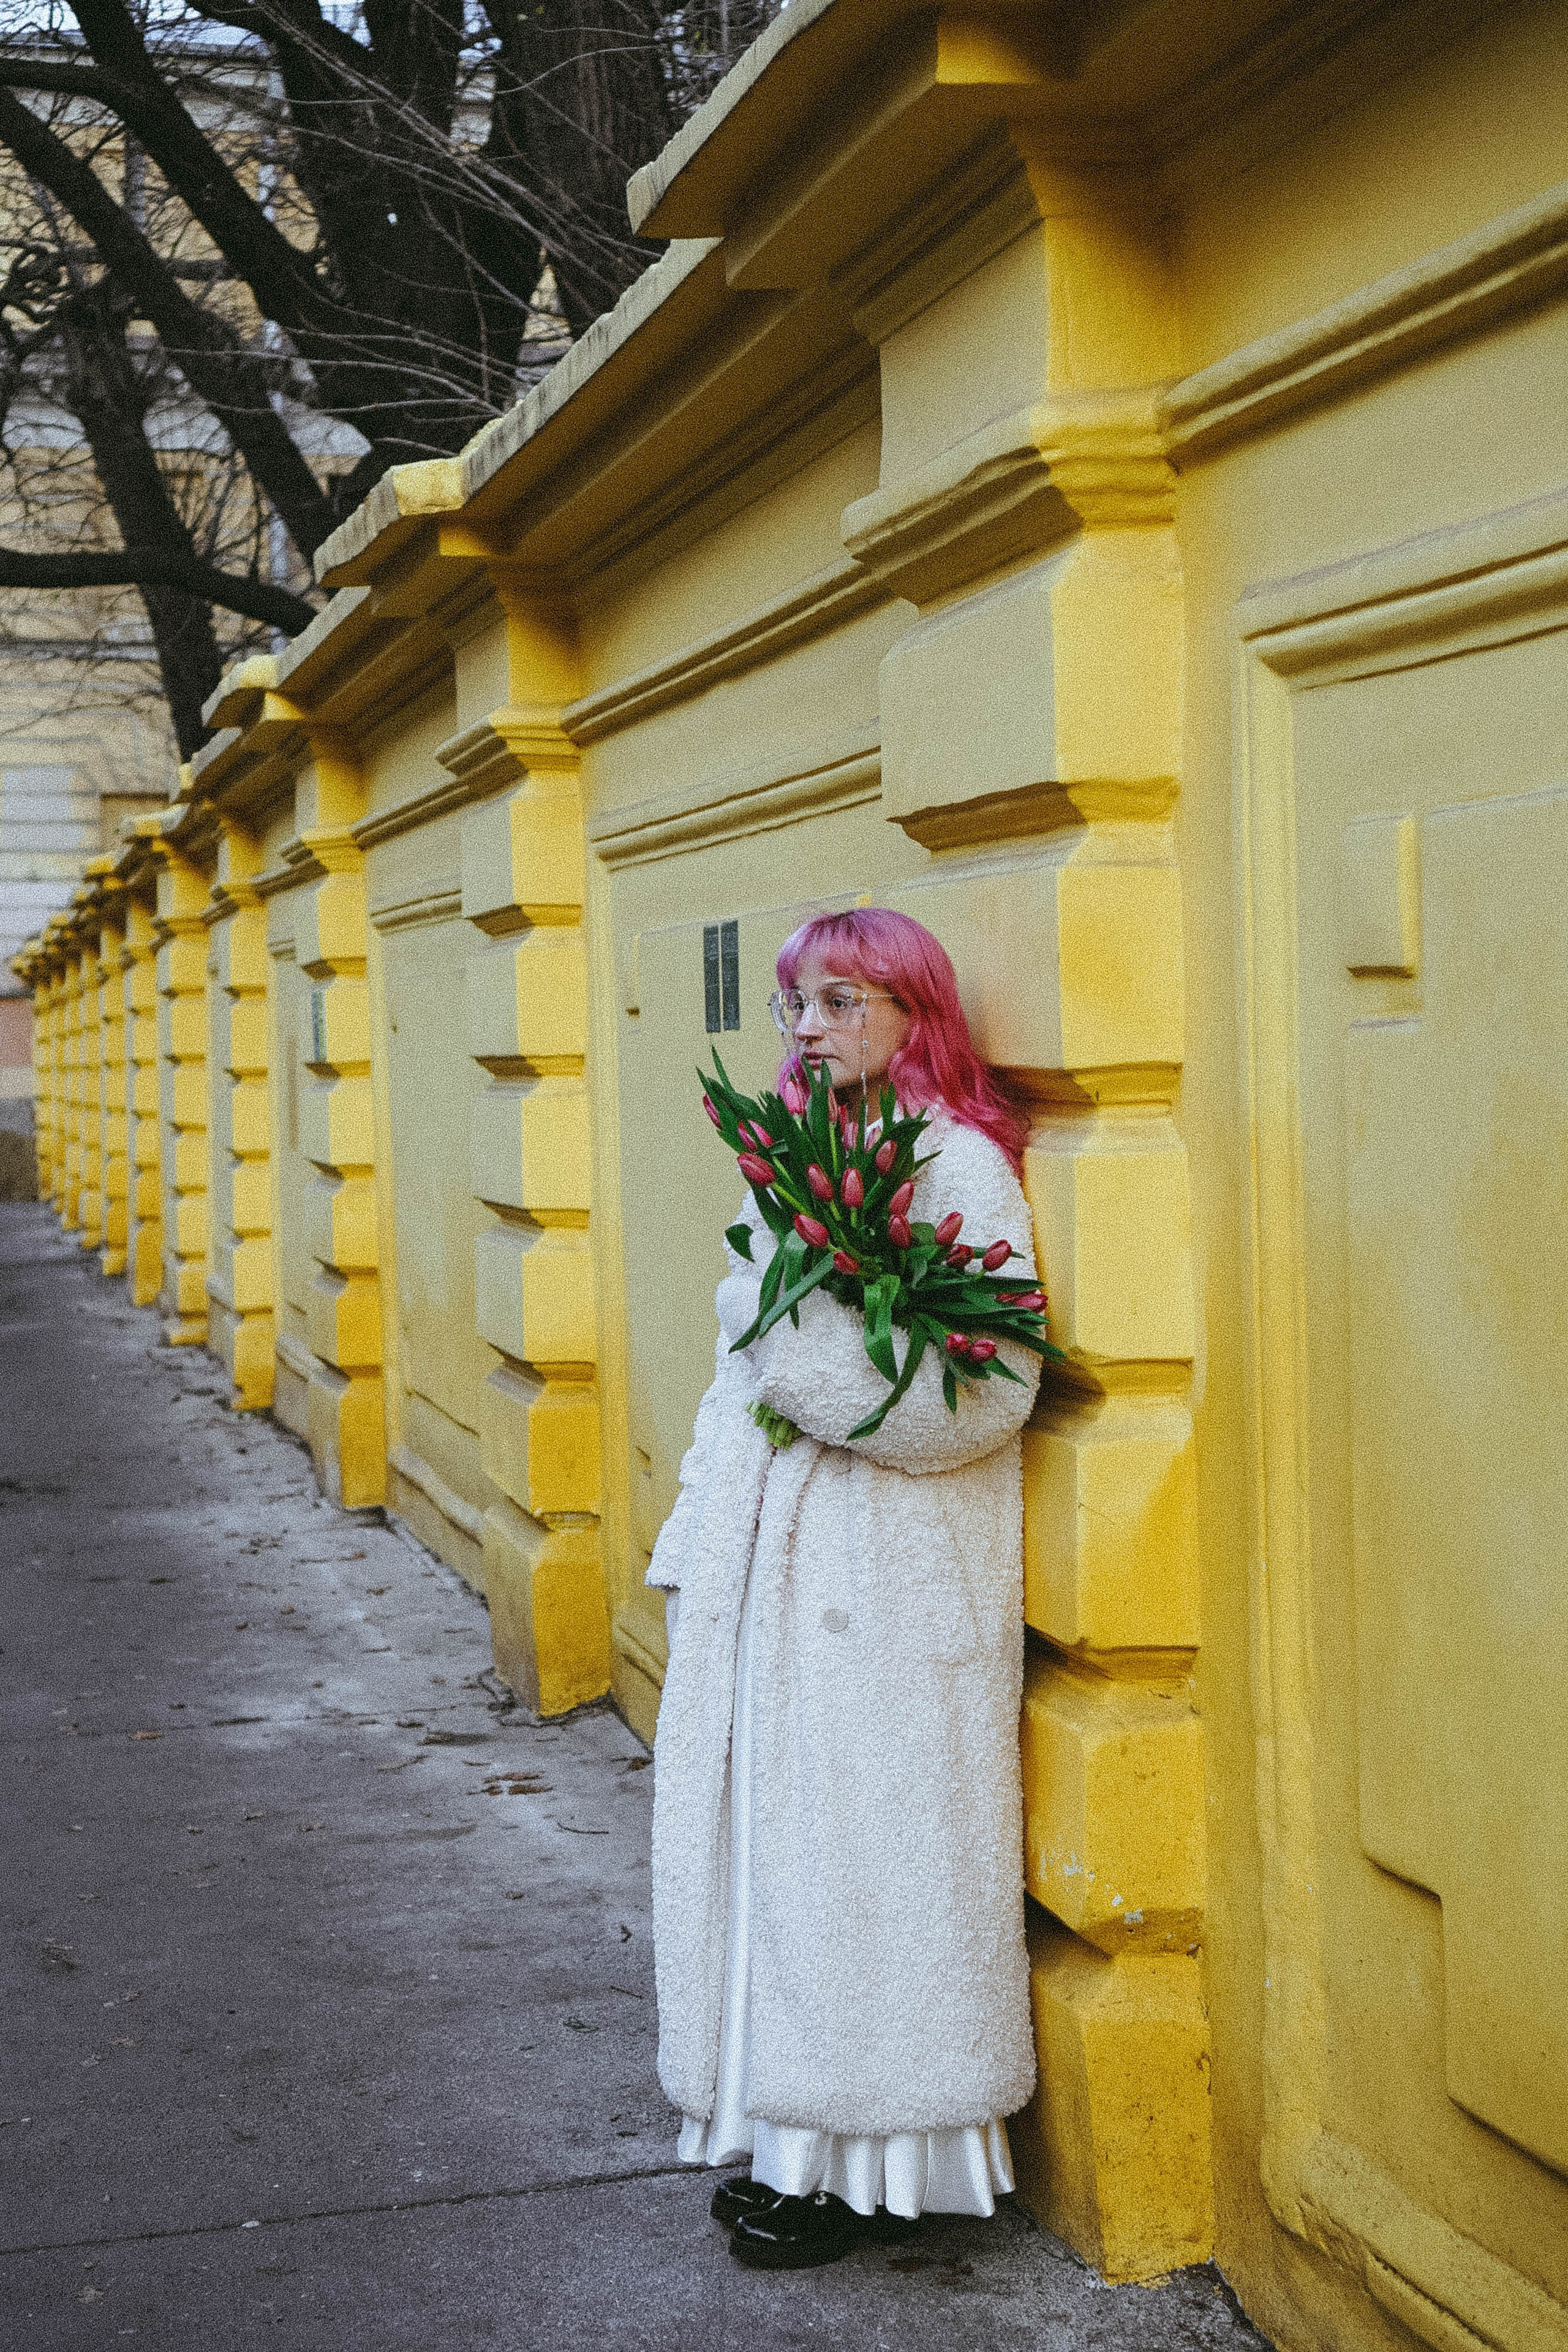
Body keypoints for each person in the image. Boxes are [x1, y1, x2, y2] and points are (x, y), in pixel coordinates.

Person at [646, 908, 1042, 2271]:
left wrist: (807, 1370)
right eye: (790, 1006)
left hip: (892, 1580)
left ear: (910, 1010)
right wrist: (699, 1543)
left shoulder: (961, 1169)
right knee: (788, 1857)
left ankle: (875, 2161)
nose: (803, 1030)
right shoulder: (802, 1165)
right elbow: (734, 1374)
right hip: (782, 1566)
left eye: (834, 1000)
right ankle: (788, 2136)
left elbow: (985, 1393)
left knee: (879, 1868)